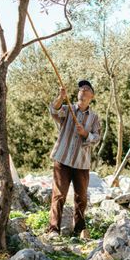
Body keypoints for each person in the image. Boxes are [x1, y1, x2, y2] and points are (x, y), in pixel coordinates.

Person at [47, 80, 101, 238]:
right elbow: (54, 110)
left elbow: (97, 137)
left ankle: (79, 230)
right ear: (78, 94)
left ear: (91, 96)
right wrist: (60, 97)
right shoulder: (68, 109)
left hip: (81, 163)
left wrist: (85, 134)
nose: (82, 91)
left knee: (81, 198)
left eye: (86, 89)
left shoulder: (94, 118)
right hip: (62, 160)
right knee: (58, 195)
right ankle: (53, 230)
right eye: (81, 89)